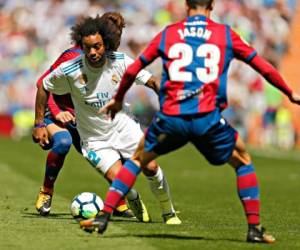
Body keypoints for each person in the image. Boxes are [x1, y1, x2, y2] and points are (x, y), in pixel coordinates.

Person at [80, 0, 300, 243]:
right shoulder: (225, 34)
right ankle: (254, 229)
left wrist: (119, 99)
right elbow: (263, 67)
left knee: (136, 160)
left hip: (172, 117)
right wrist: (289, 92)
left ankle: (104, 216)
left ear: (186, 5)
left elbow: (133, 70)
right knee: (243, 161)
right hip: (208, 119)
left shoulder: (170, 33)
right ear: (212, 5)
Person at [32, 15, 181, 225]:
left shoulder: (120, 61)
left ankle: (169, 213)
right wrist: (40, 122)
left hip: (123, 127)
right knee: (118, 178)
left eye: (98, 46)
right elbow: (44, 85)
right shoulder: (71, 65)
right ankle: (130, 197)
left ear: (107, 41)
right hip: (92, 135)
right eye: (88, 47)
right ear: (81, 45)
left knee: (151, 167)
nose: (93, 52)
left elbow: (151, 80)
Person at [34, 12, 137, 218]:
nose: (113, 47)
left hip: (82, 120)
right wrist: (50, 117)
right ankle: (46, 191)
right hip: (56, 114)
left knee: (110, 156)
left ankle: (118, 201)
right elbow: (43, 85)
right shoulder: (72, 56)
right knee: (62, 142)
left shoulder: (110, 60)